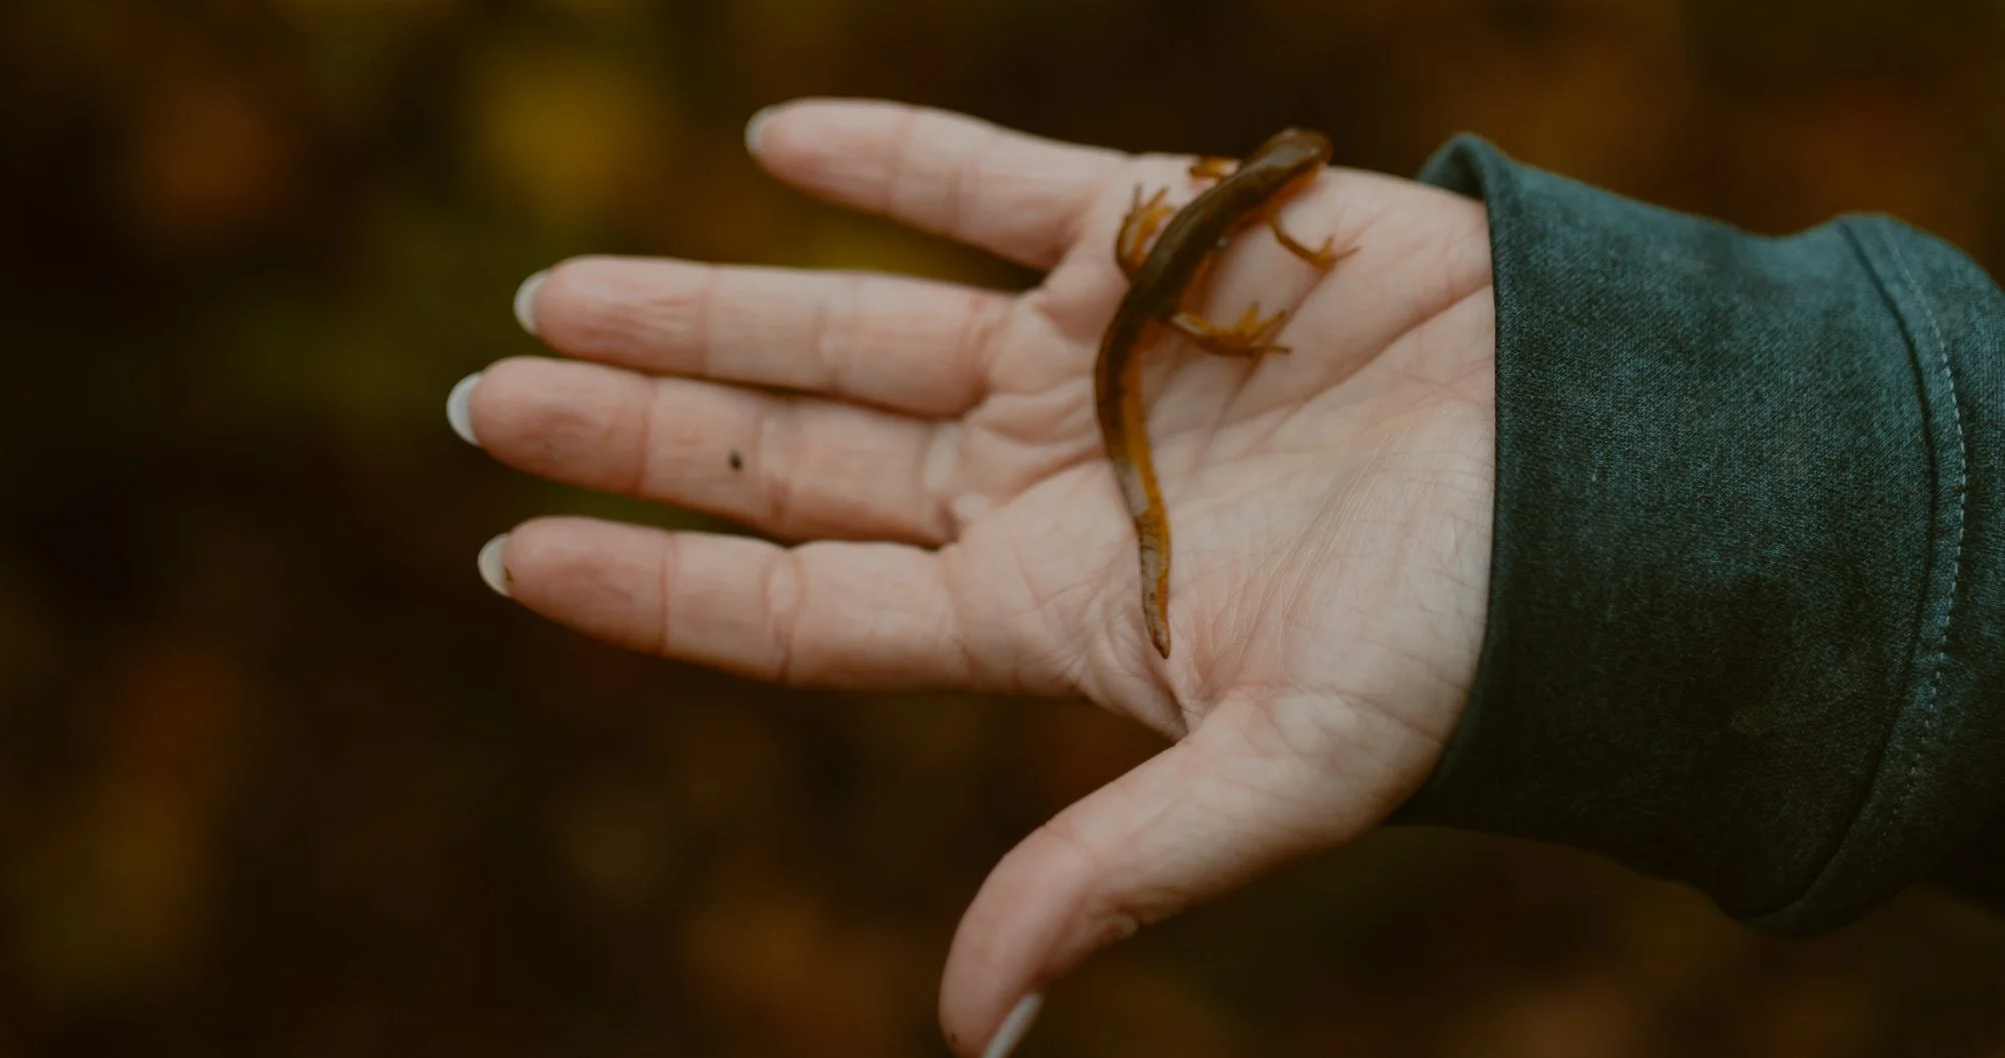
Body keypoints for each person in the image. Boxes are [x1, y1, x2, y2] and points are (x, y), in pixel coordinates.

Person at [445, 99, 2005, 1058]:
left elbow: (1189, 268)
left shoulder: (1254, 210)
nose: (1310, 177)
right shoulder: (1251, 224)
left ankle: (1162, 509)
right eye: (1297, 171)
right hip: (1148, 332)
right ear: (1269, 182)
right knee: (1167, 374)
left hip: (1162, 317)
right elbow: (1175, 289)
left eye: (1302, 173)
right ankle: (1154, 515)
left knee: (1174, 363)